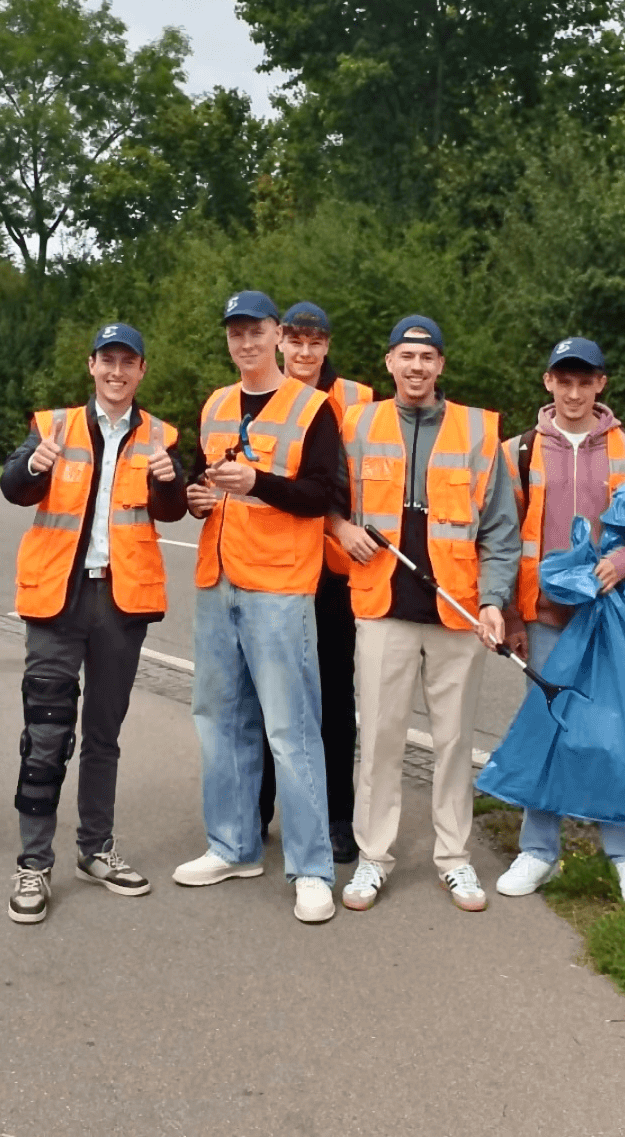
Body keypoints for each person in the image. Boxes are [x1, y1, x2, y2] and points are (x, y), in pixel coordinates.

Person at [332, 315, 520, 912]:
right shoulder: (356, 422)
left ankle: (454, 859)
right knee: (381, 739)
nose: (416, 367)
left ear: (441, 366)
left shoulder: (478, 430)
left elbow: (500, 530)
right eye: (405, 357)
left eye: (427, 357)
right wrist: (341, 530)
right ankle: (373, 857)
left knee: (453, 741)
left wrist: (492, 601)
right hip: (382, 605)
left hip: (457, 610)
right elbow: (329, 501)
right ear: (389, 363)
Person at [1, 323, 187, 924]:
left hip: (121, 603)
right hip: (58, 601)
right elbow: (13, 489)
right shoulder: (52, 426)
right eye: (107, 361)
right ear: (91, 367)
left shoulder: (160, 435)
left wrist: (170, 480)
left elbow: (173, 508)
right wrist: (33, 463)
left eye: (127, 362)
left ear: (140, 371)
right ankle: (33, 864)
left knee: (104, 734)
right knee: (48, 734)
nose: (116, 372)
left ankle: (95, 849)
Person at [172, 290, 340, 924]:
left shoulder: (313, 407)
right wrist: (196, 498)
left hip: (279, 588)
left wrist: (259, 484)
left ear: (278, 336)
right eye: (235, 333)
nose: (246, 343)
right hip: (218, 580)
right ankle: (233, 845)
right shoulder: (216, 404)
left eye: (256, 331)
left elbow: (322, 494)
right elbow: (200, 478)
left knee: (290, 730)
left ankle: (311, 868)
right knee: (219, 719)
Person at [496, 337, 625, 909]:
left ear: (601, 384)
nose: (573, 392)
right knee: (549, 730)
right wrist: (508, 614)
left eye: (585, 381)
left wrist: (623, 563)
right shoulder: (517, 452)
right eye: (563, 380)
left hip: (614, 618)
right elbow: (499, 539)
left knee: (615, 733)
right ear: (548, 382)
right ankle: (538, 851)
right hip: (545, 618)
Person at [257, 300, 373, 864]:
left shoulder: (358, 400)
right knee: (268, 693)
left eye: (314, 343)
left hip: (333, 570)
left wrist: (343, 525)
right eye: (295, 342)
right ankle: (258, 810)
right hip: (273, 564)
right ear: (280, 341)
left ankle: (337, 818)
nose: (303, 353)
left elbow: (359, 482)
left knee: (332, 696)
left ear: (327, 346)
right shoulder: (256, 393)